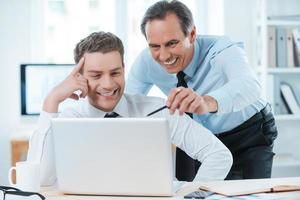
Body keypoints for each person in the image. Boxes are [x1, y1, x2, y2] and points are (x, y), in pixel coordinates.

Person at [26, 31, 232, 186]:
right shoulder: (68, 119)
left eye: (115, 73)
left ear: (124, 68)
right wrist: (51, 101)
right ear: (79, 76)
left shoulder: (159, 111)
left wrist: (194, 195)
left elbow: (219, 155)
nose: (108, 84)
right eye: (96, 75)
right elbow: (42, 179)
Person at [125, 0, 278, 181]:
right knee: (192, 191)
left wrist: (206, 102)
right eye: (155, 46)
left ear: (192, 34)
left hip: (247, 132)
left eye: (172, 43)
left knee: (243, 193)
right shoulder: (146, 62)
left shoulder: (222, 49)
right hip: (203, 138)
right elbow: (127, 105)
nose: (164, 55)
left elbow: (249, 86)